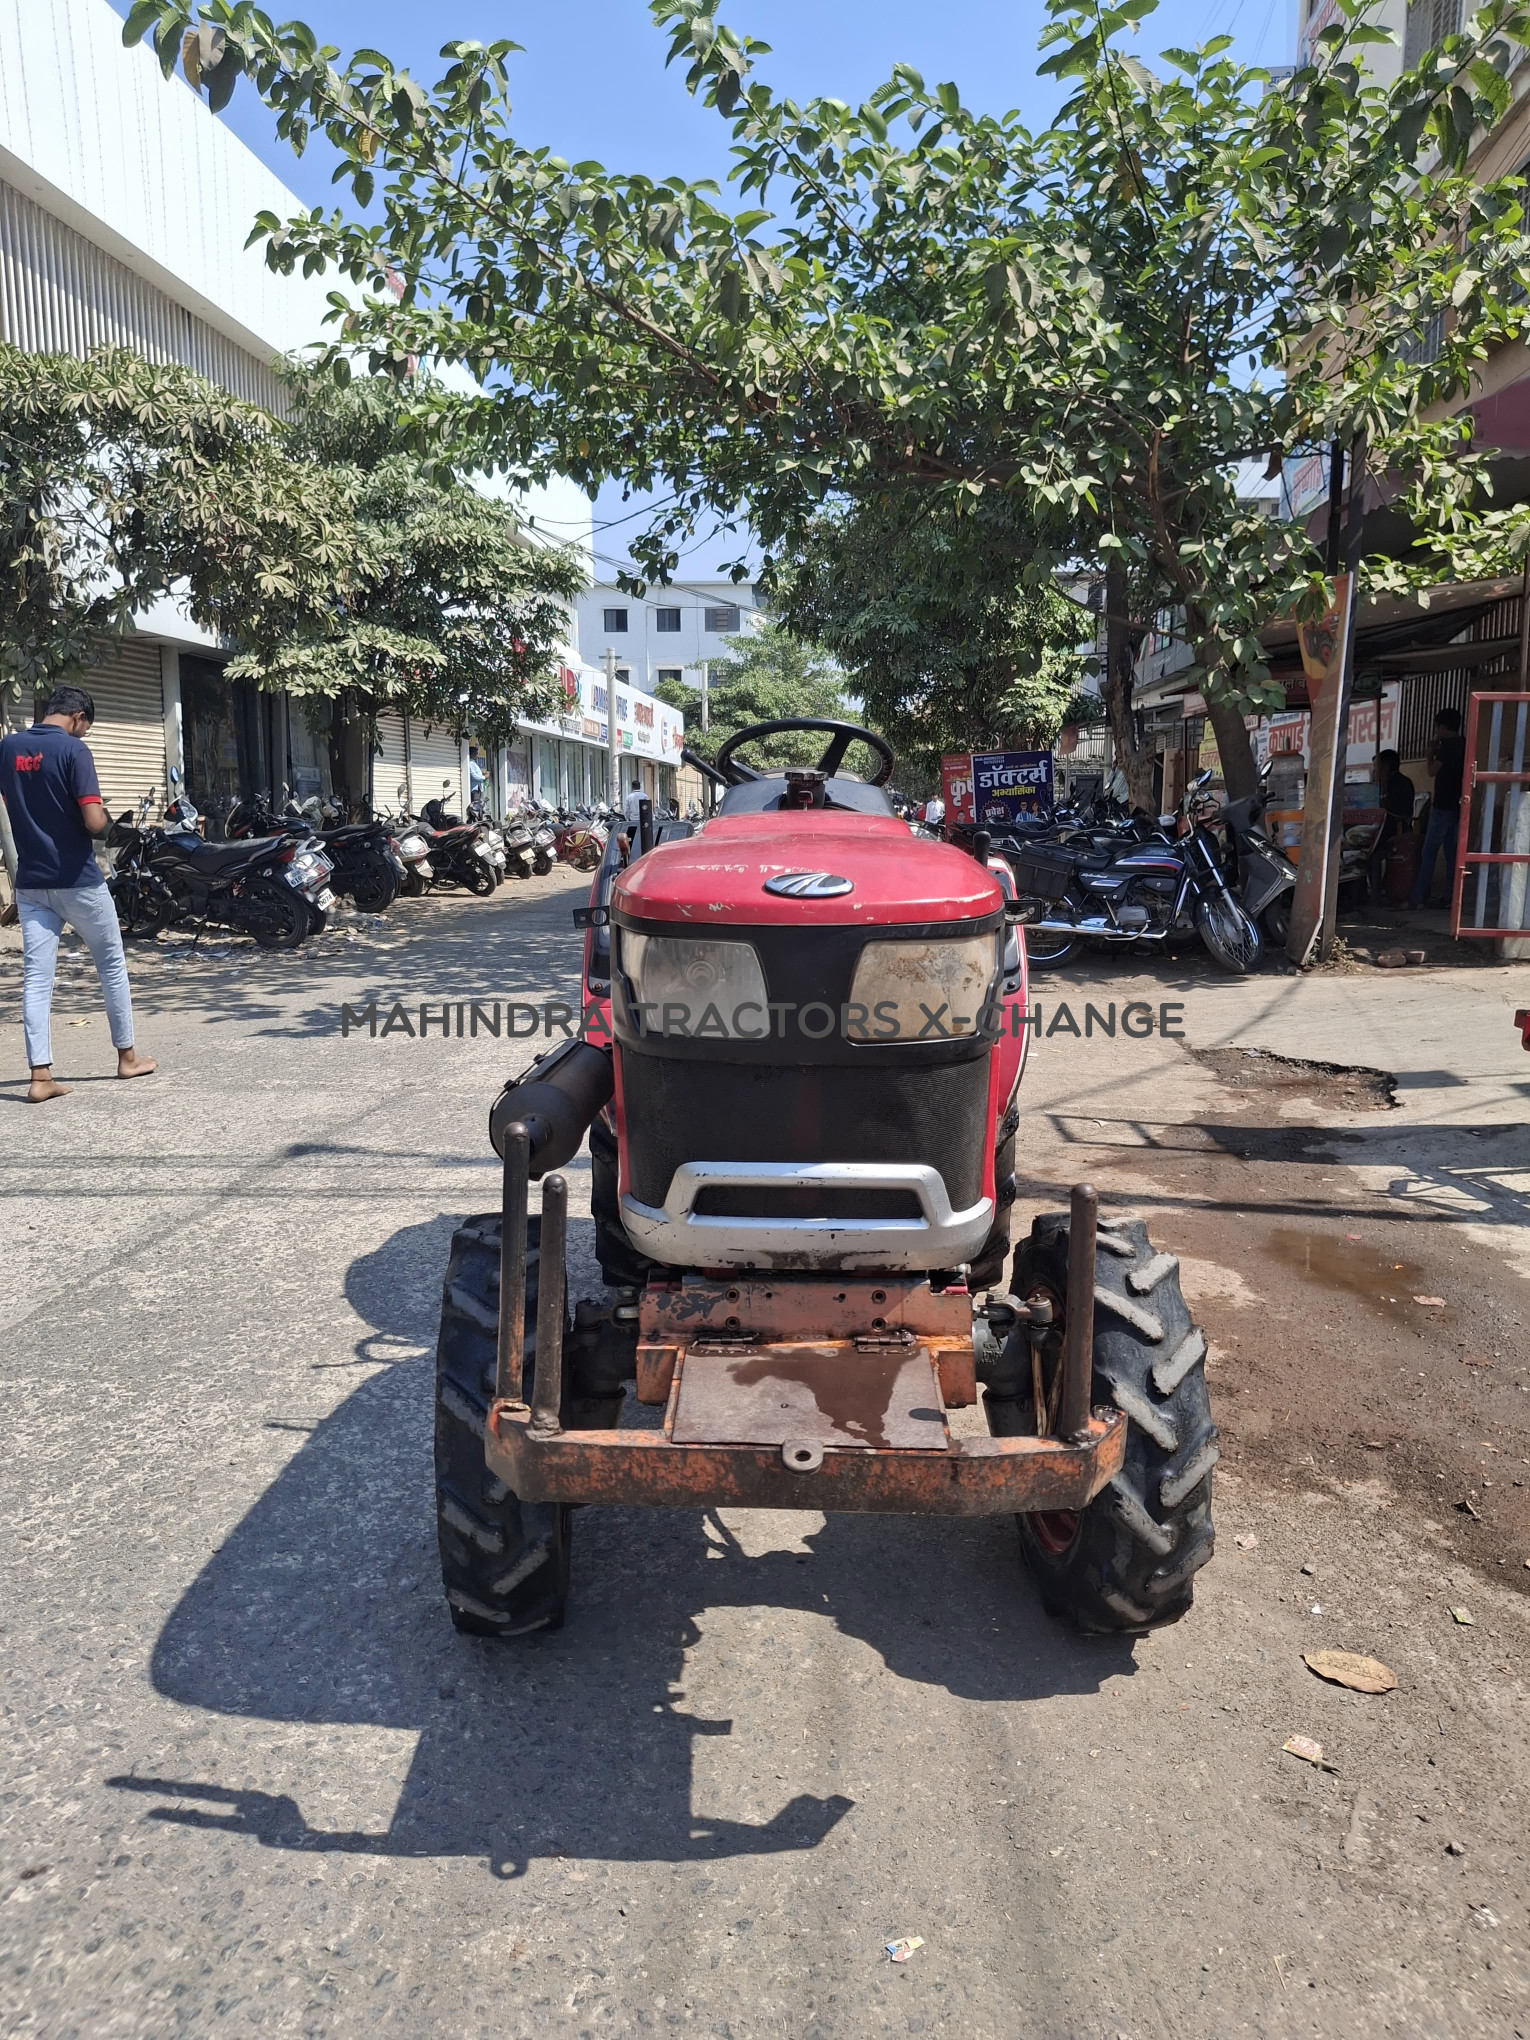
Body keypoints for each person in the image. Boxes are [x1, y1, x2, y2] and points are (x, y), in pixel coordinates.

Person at [0, 684, 157, 1104]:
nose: (83, 734)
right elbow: (92, 820)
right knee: (111, 964)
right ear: (78, 718)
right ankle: (127, 1058)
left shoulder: (8, 747)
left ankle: (40, 1076)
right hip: (79, 880)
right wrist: (112, 827)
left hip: (31, 883)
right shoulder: (73, 751)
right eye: (85, 727)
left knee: (36, 978)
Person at [1408, 708, 1466, 909]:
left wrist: (1429, 754)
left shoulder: (1446, 747)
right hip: (1458, 806)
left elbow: (1432, 771)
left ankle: (1418, 897)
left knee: (1429, 852)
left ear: (1442, 727)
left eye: (1437, 727)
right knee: (1452, 853)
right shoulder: (1464, 744)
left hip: (1442, 807)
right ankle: (1450, 897)